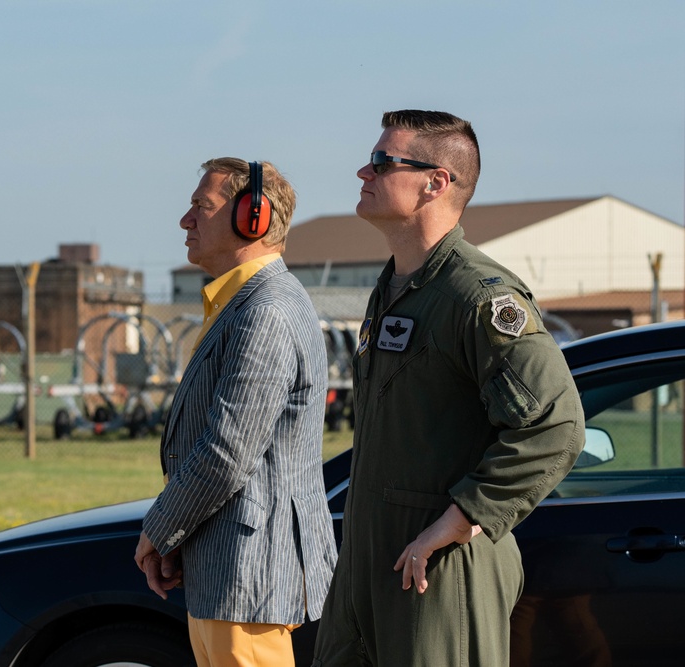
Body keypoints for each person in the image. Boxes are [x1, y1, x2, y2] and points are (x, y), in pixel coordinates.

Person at [311, 110, 585, 666]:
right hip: (370, 561)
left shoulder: (478, 298)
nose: (364, 172)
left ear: (437, 182)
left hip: (439, 570)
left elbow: (555, 426)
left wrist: (460, 519)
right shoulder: (393, 288)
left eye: (384, 162)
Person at [134, 157, 338, 667]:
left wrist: (160, 528)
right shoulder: (244, 304)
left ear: (254, 218)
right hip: (229, 572)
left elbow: (228, 451)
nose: (186, 221)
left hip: (249, 576)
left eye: (201, 206)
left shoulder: (265, 312)